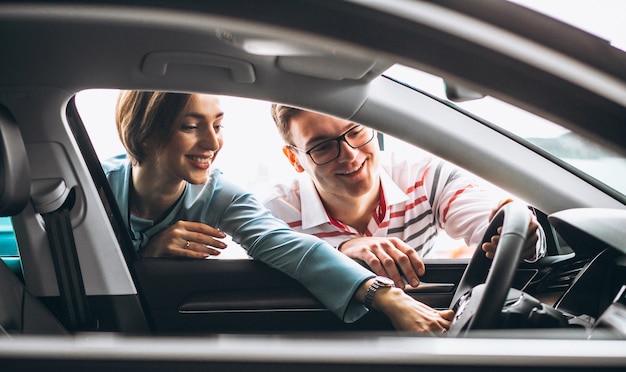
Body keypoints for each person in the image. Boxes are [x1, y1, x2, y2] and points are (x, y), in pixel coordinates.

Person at [102, 91, 454, 334]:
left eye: (218, 125)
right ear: (145, 131)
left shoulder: (220, 194)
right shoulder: (96, 188)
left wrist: (389, 296)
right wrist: (142, 256)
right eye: (191, 127)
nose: (212, 143)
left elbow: (290, 246)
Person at [265, 105, 546, 289]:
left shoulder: (423, 176)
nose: (350, 155)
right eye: (324, 147)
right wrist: (343, 250)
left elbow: (491, 224)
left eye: (356, 131)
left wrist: (520, 235)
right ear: (295, 159)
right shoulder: (273, 213)